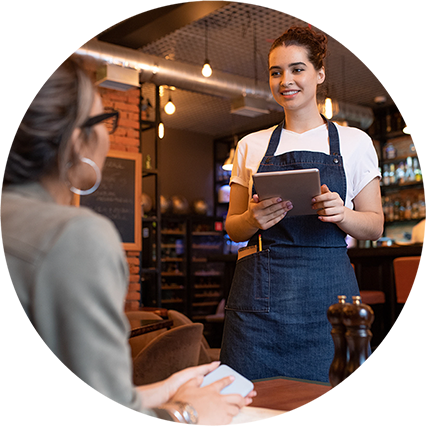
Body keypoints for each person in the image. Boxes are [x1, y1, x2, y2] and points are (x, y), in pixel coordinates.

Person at [0, 56, 255, 426]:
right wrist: (189, 412)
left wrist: (166, 388)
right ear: (76, 140)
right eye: (103, 119)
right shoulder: (73, 237)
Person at [220, 26, 384, 383]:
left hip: (329, 301)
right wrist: (252, 218)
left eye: (297, 69)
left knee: (337, 403)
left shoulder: (355, 142)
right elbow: (233, 227)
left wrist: (343, 214)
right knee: (251, 406)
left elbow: (374, 224)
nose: (285, 81)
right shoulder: (251, 144)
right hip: (258, 307)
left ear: (319, 74)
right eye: (276, 72)